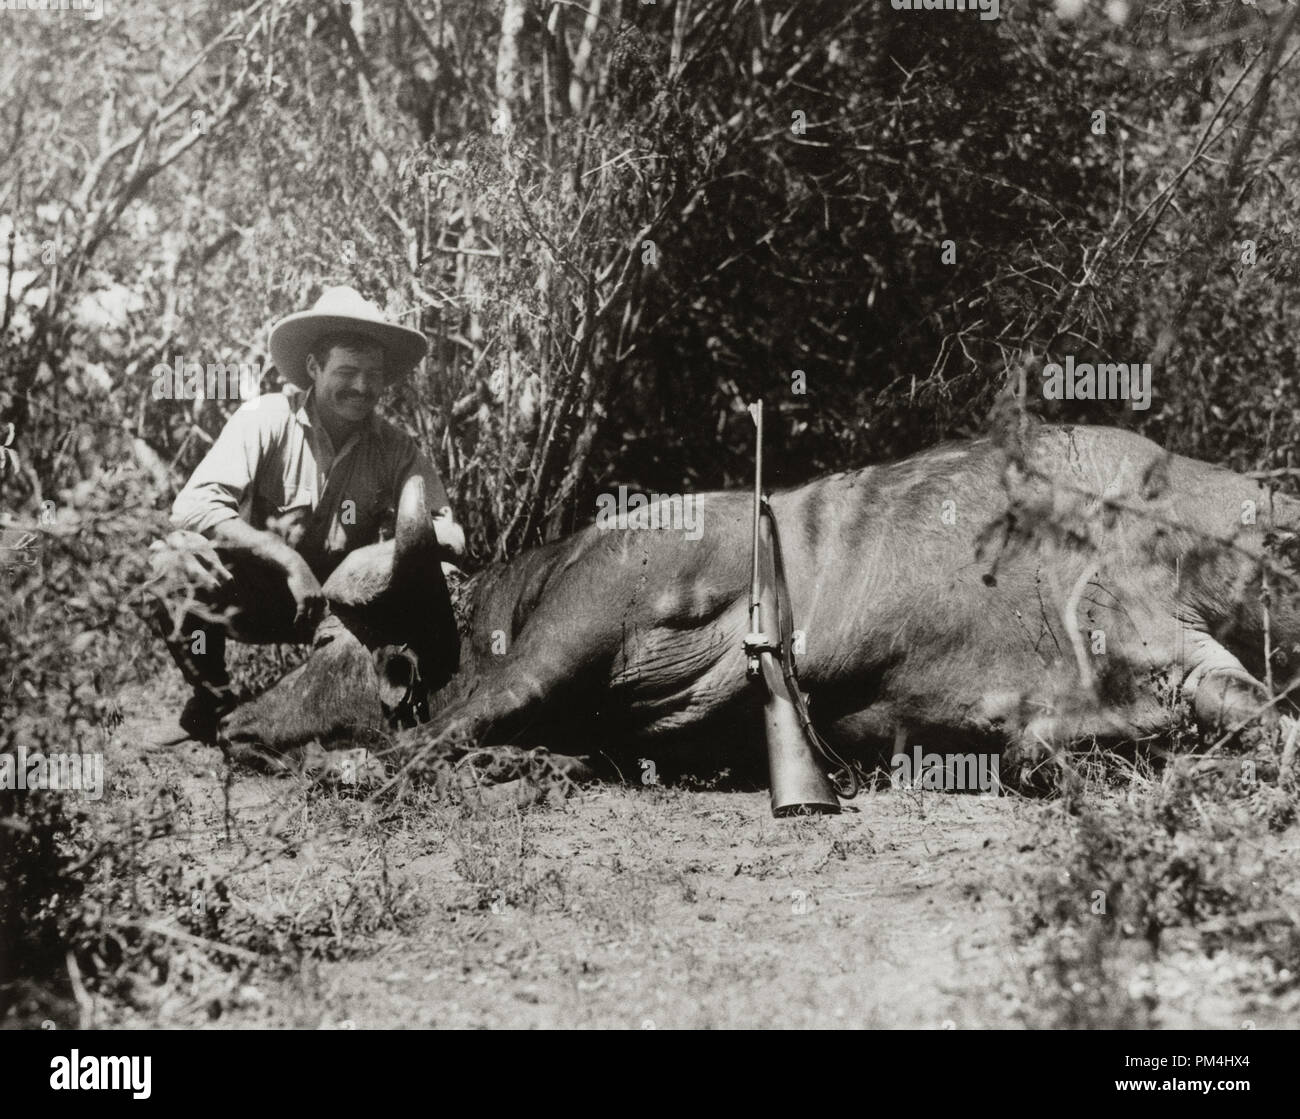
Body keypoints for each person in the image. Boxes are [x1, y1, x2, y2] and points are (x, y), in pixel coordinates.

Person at [145, 286, 465, 743]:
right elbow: (194, 506)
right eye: (347, 371)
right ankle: (210, 700)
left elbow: (448, 529)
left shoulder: (395, 446)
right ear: (313, 368)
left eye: (373, 374)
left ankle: (348, 706)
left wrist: (377, 560)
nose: (361, 387)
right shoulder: (265, 417)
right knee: (172, 560)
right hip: (257, 594)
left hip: (344, 614)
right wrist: (289, 562)